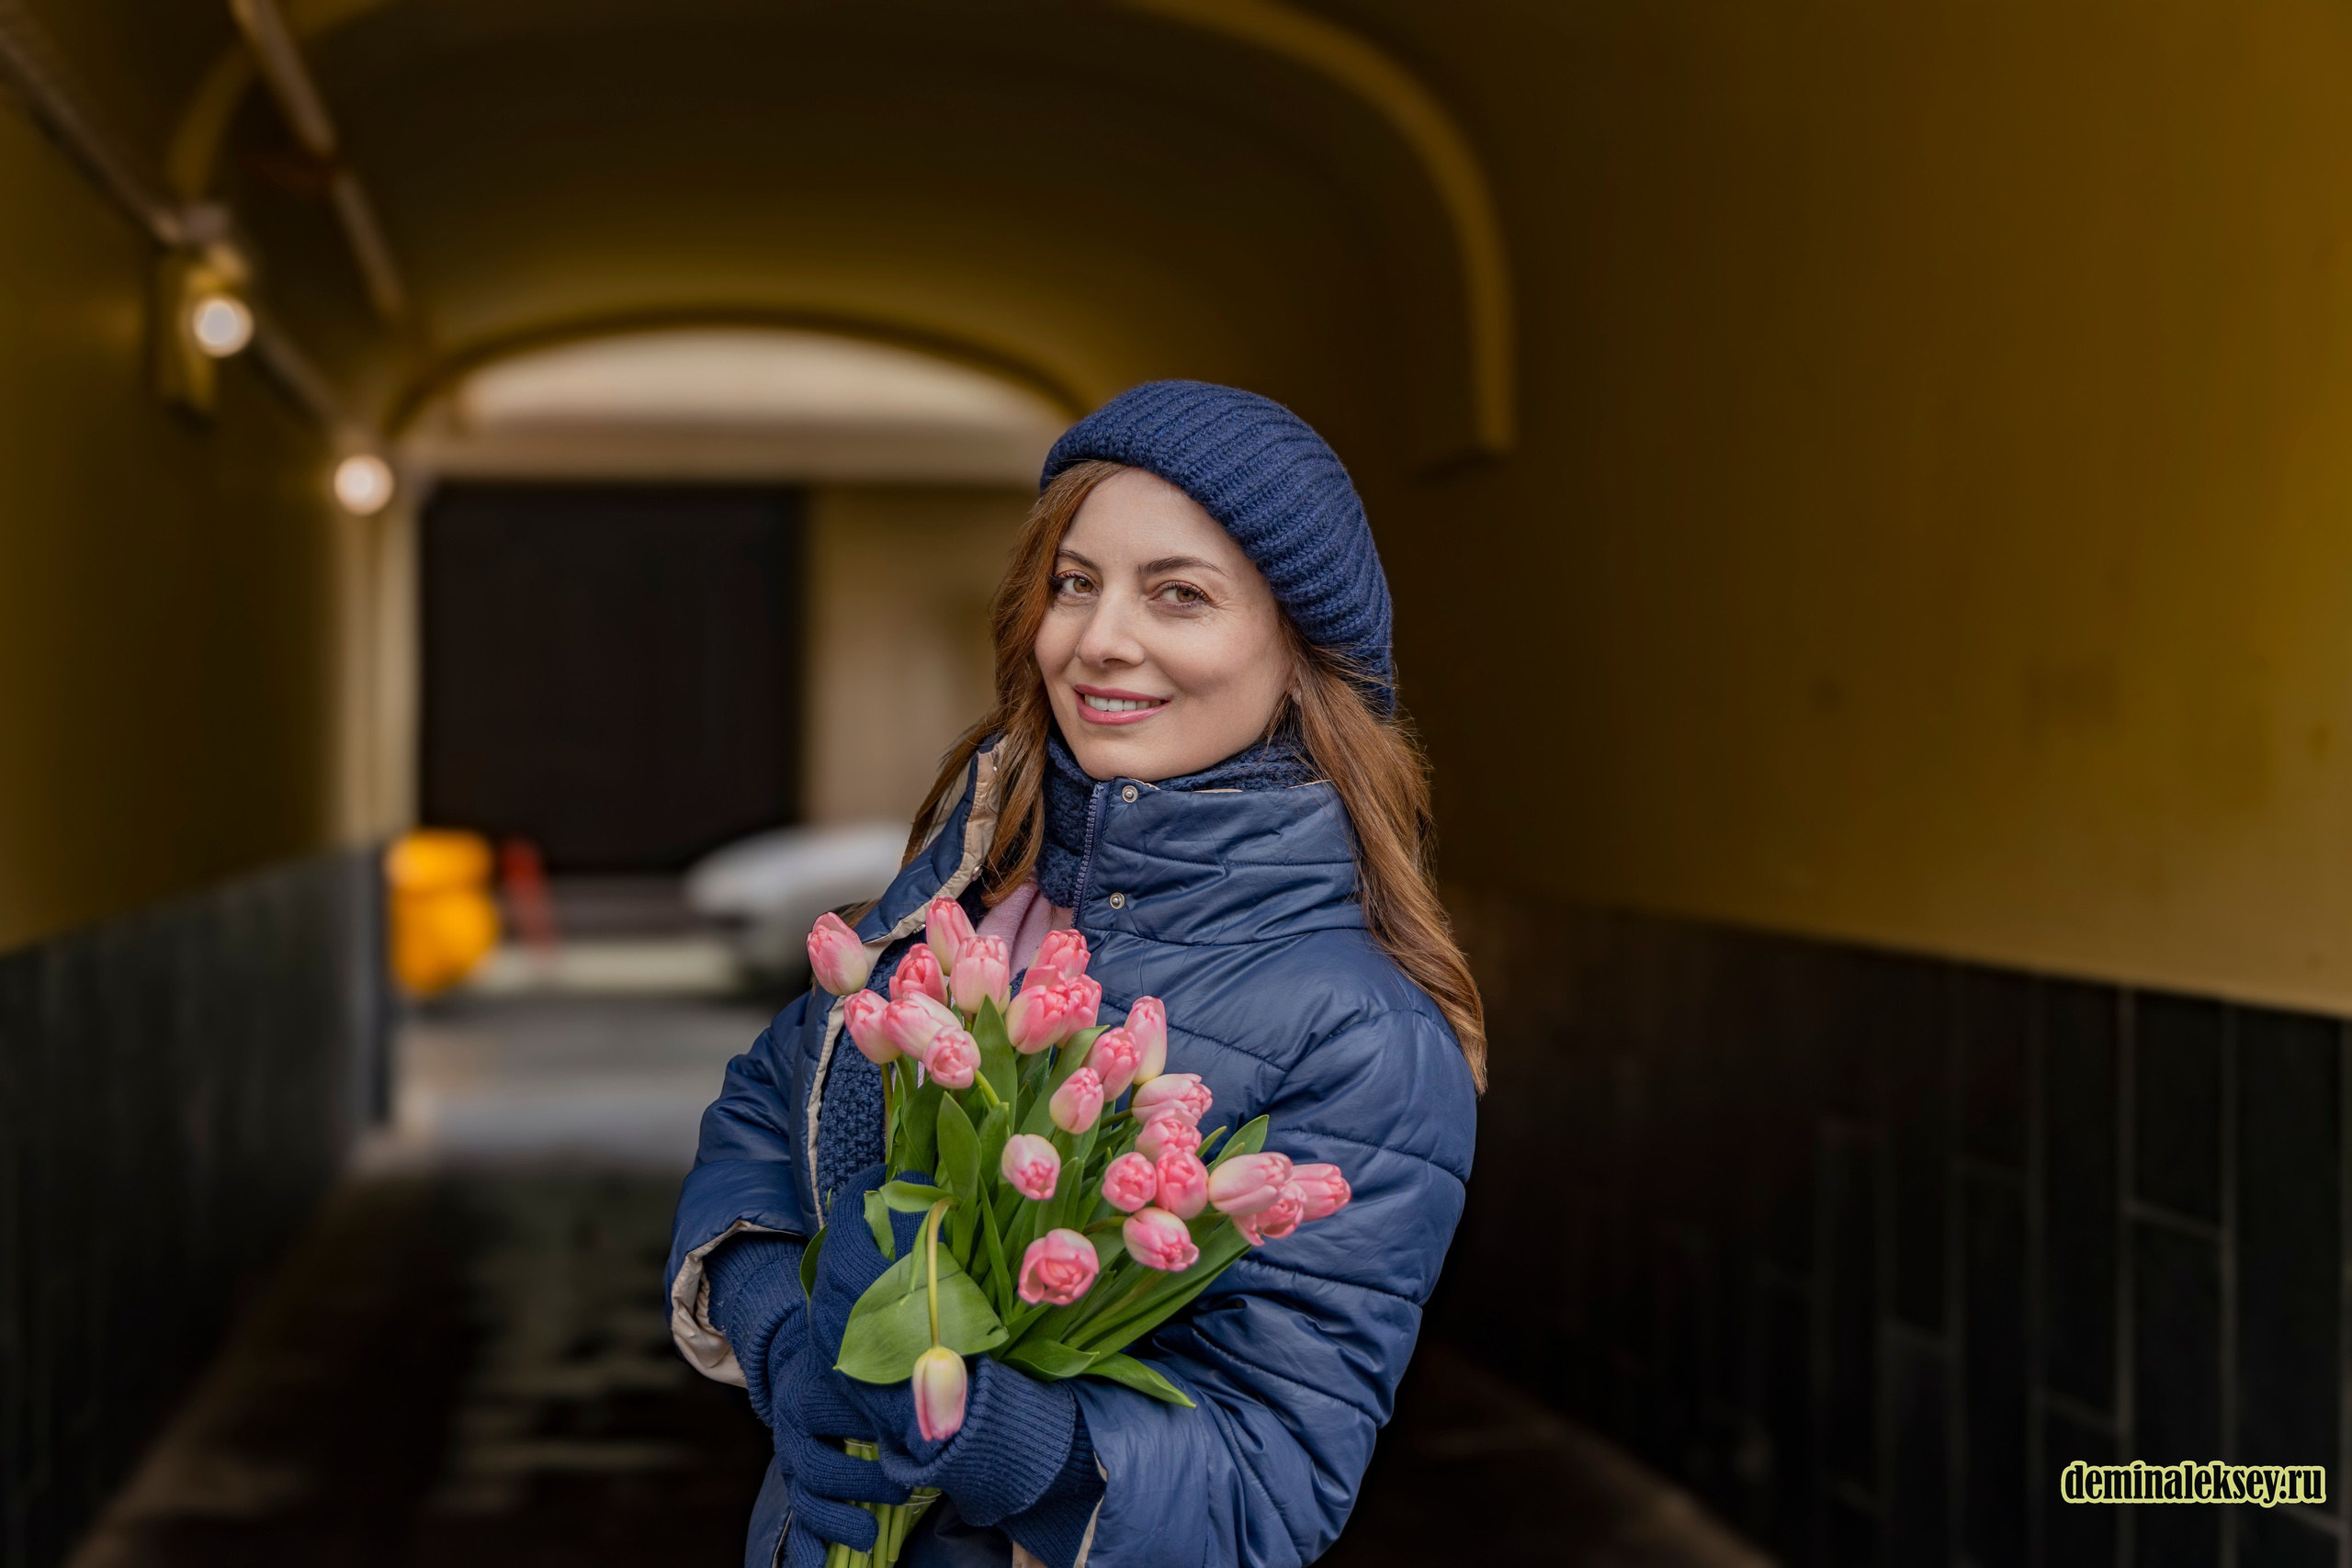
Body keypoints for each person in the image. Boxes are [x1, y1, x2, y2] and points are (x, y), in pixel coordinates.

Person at [668, 380, 1485, 1568]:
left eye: (1181, 595)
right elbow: (764, 1102)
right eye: (1073, 582)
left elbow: (1268, 1491)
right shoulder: (976, 885)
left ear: (1302, 654)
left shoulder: (1364, 1035)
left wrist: (974, 1434)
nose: (1100, 638)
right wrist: (792, 1348)